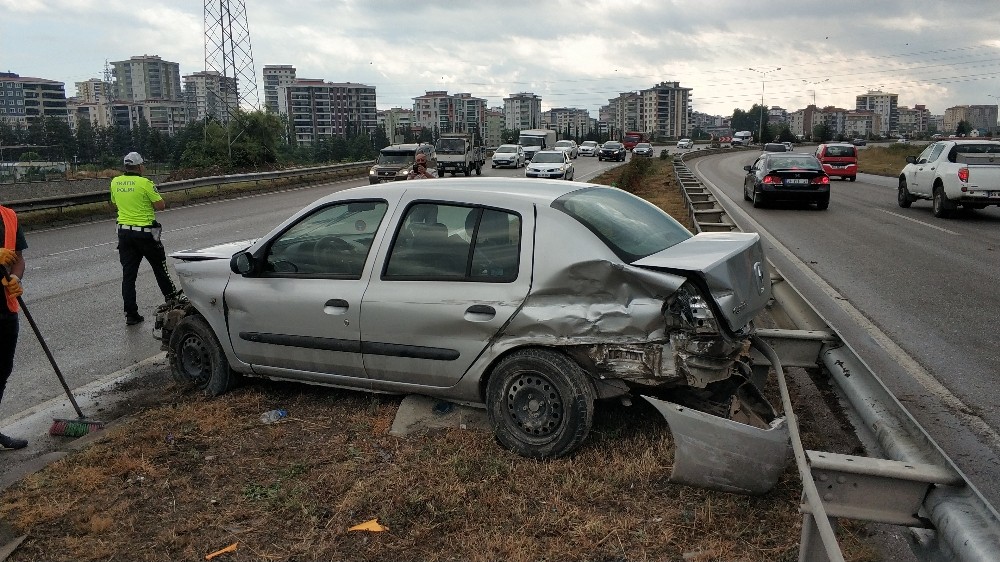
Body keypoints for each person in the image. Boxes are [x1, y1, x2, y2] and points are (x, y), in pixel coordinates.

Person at [110, 152, 178, 326]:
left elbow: (114, 204)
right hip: (145, 234)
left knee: (128, 276)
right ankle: (174, 307)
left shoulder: (115, 182)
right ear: (140, 167)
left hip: (124, 234)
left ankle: (131, 314)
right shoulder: (145, 183)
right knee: (160, 269)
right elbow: (160, 205)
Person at [0, 203, 28, 449]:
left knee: (2, 371)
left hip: (5, 308)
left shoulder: (9, 216)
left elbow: (18, 258)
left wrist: (16, 278)